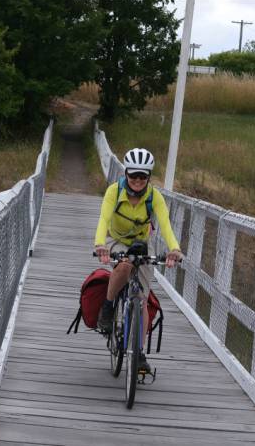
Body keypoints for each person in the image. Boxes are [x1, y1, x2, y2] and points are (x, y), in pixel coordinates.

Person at [93, 148, 183, 373]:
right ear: (126, 173)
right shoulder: (114, 191)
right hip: (116, 239)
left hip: (142, 243)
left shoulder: (155, 197)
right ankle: (108, 305)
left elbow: (165, 226)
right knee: (124, 265)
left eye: (143, 176)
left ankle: (139, 353)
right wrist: (100, 245)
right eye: (133, 175)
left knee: (141, 299)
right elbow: (103, 218)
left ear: (149, 177)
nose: (137, 180)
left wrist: (174, 249)